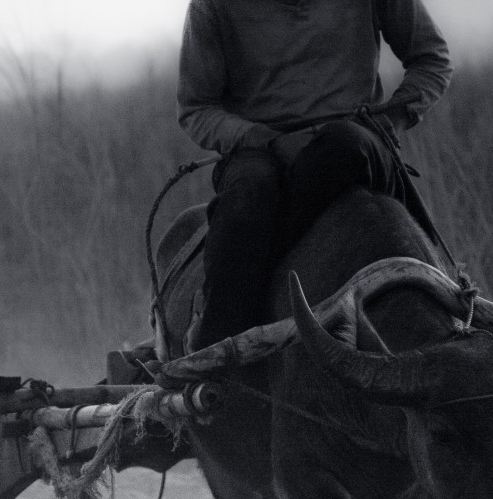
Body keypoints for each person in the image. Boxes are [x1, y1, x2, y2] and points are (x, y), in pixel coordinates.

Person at [178, 0, 453, 349]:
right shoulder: (212, 6)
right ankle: (217, 345)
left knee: (343, 147)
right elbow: (197, 108)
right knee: (249, 194)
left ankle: (448, 305)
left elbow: (432, 60)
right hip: (258, 150)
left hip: (354, 139)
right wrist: (268, 140)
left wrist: (388, 121)